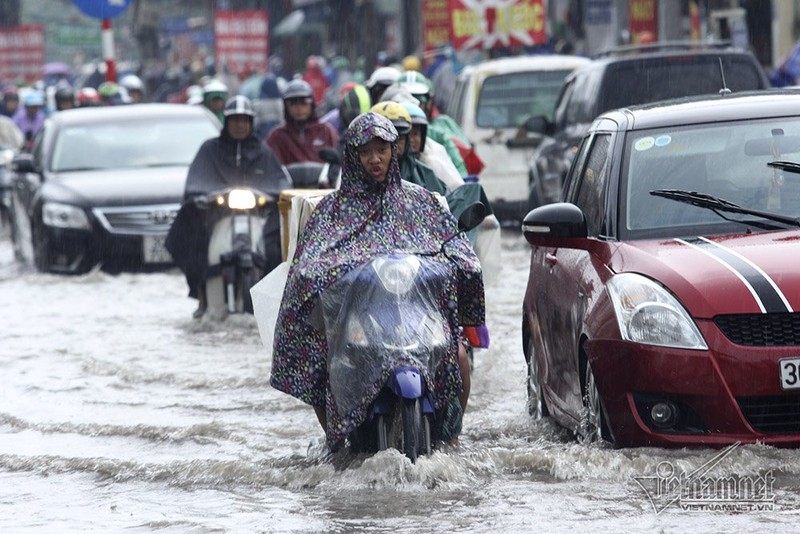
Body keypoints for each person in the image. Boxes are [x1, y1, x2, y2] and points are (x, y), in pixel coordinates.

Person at [270, 112, 486, 450]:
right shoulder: (332, 211)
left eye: (382, 150)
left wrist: (461, 263)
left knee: (458, 355)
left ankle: (453, 436)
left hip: (417, 316)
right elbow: (307, 263)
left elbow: (454, 245)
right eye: (366, 151)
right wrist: (329, 275)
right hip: (357, 321)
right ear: (353, 156)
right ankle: (335, 442)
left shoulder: (421, 202)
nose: (375, 159)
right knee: (320, 362)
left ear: (394, 151)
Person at [166, 96, 289, 318]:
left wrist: (272, 197)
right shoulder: (210, 149)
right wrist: (203, 199)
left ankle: (277, 299)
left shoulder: (263, 152)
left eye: (244, 120)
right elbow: (196, 183)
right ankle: (202, 294)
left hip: (258, 217)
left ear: (251, 123)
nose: (240, 125)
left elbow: (280, 183)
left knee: (277, 245)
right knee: (192, 234)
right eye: (234, 120)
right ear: (226, 121)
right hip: (214, 218)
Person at [265, 79, 339, 165]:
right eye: (292, 103)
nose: (299, 108)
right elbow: (267, 166)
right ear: (286, 107)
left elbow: (339, 161)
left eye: (304, 102)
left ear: (312, 105)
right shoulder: (277, 136)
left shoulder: (326, 131)